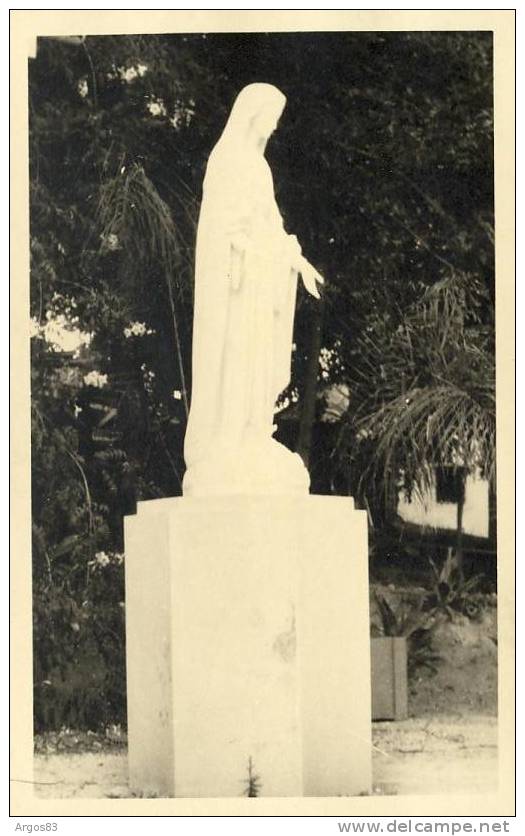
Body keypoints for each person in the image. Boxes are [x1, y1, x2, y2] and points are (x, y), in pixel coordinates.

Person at [182, 83, 324, 496]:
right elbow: (222, 228)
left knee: (259, 360)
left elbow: (272, 224)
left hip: (263, 282)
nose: (274, 126)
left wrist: (296, 260)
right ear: (252, 115)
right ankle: (229, 437)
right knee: (237, 355)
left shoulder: (261, 169)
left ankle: (255, 431)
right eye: (271, 117)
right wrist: (247, 248)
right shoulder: (226, 160)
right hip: (239, 284)